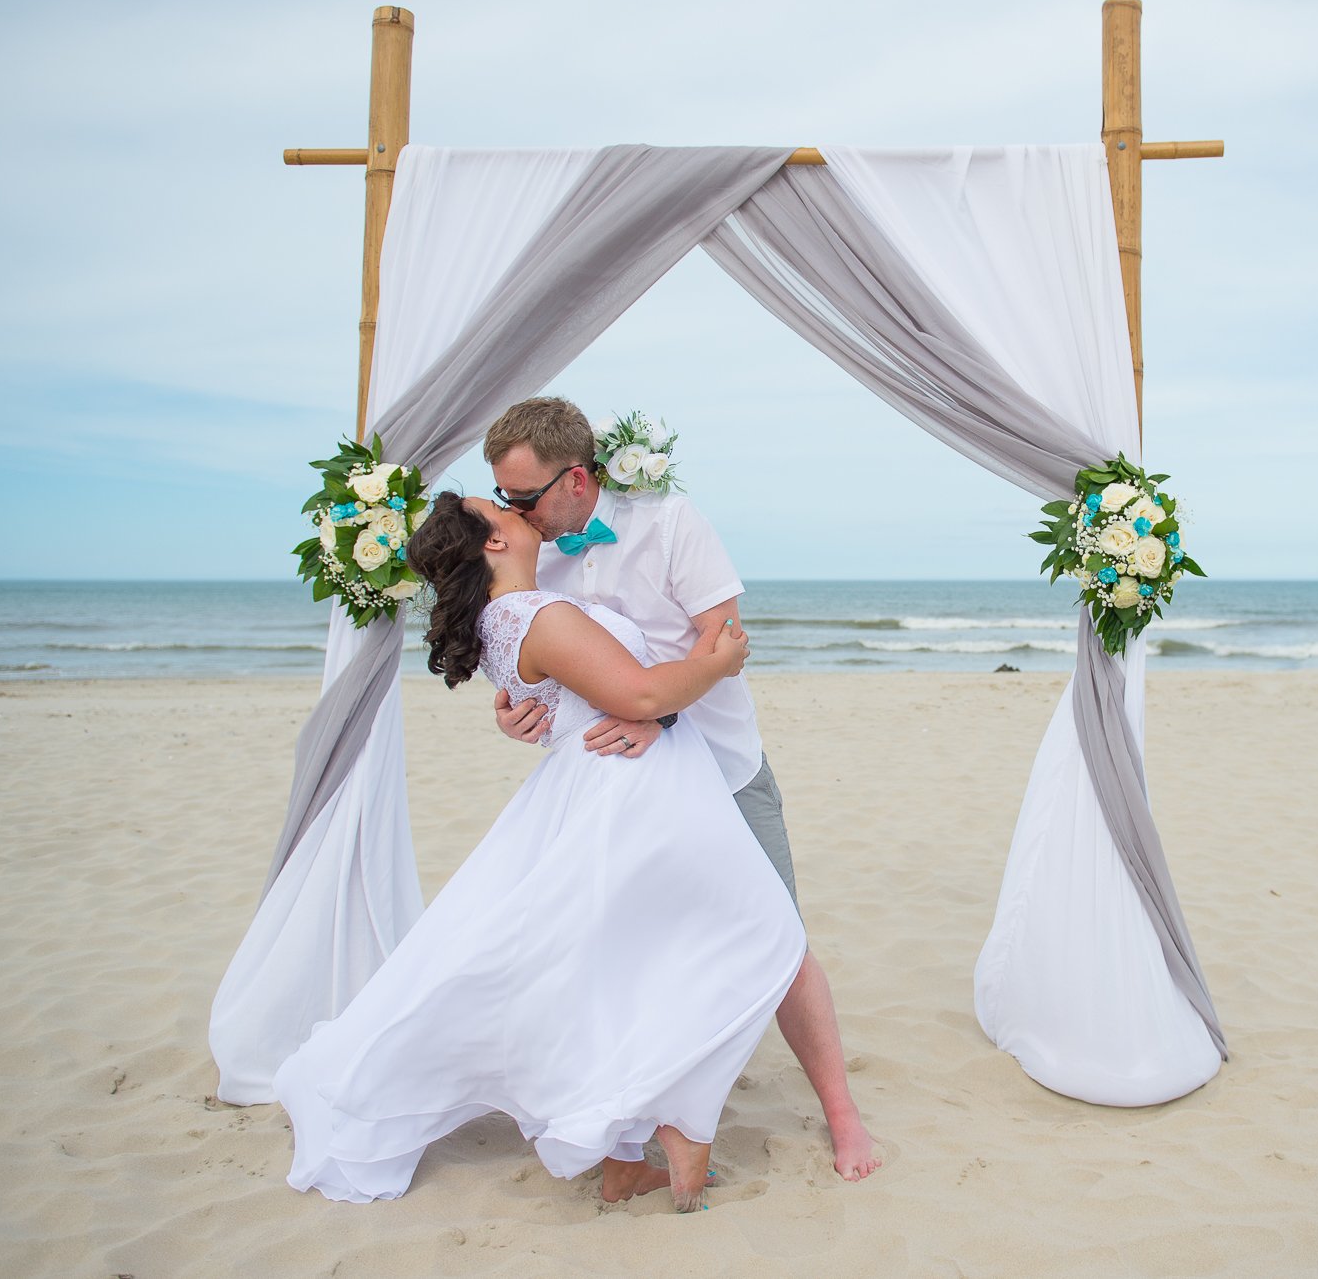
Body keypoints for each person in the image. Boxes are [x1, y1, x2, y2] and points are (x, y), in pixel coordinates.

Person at [273, 493, 804, 1212]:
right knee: (759, 932)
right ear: (493, 542)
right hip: (638, 792)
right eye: (497, 505)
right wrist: (722, 662)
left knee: (638, 963)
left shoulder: (517, 612)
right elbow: (642, 691)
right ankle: (679, 1123)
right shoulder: (535, 616)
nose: (513, 506)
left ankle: (634, 1154)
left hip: (620, 785)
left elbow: (592, 692)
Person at [483, 398, 882, 1181]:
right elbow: (540, 657)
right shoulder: (534, 552)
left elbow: (723, 637)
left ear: (578, 479)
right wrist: (515, 713)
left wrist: (659, 715)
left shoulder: (668, 520)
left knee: (780, 940)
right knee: (624, 952)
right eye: (502, 496)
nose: (512, 512)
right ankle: (632, 1129)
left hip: (723, 763)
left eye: (523, 497)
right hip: (612, 788)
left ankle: (842, 1113)